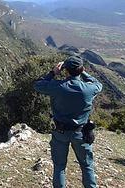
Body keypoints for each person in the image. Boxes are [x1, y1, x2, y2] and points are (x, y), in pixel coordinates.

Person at [33, 56, 103, 188]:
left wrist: (53, 73)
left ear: (65, 70)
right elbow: (98, 84)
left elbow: (38, 84)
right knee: (87, 166)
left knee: (59, 166)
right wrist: (83, 72)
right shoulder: (89, 89)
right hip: (81, 133)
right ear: (81, 69)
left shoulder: (57, 86)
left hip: (60, 132)